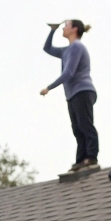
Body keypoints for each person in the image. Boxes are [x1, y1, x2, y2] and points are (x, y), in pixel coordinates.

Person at [41, 19, 98, 173]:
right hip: (72, 94)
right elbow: (47, 48)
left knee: (85, 124)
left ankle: (91, 157)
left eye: (65, 25)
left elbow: (69, 72)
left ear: (74, 29)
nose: (63, 28)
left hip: (82, 90)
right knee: (77, 128)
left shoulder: (77, 47)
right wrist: (52, 30)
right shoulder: (66, 50)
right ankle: (80, 160)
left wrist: (49, 87)